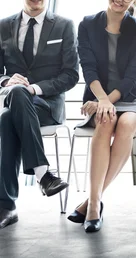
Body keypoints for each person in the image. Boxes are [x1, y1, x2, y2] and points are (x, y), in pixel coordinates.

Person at [65, 0, 136, 233]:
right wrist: (102, 100)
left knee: (125, 123)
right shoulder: (87, 24)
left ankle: (92, 203)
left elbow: (133, 76)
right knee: (106, 121)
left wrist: (107, 101)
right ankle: (95, 203)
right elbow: (88, 68)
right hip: (100, 95)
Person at [0, 0, 78, 230]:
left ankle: (6, 205)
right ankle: (43, 174)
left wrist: (35, 88)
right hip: (15, 100)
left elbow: (71, 75)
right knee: (10, 109)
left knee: (6, 118)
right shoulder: (3, 26)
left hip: (47, 104)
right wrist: (6, 80)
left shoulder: (64, 25)